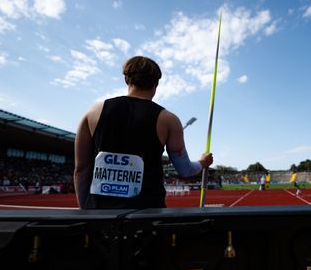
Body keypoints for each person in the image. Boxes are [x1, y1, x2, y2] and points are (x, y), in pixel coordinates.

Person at [74, 56, 213, 209]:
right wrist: (202, 162)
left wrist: (85, 210)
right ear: (157, 83)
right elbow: (185, 170)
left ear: (127, 79)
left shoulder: (93, 112)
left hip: (99, 214)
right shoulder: (169, 120)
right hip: (148, 214)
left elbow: (81, 169)